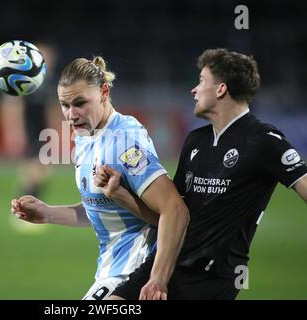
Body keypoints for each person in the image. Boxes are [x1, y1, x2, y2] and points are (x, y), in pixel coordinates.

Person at [95, 48, 307, 300]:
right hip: (164, 263)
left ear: (221, 90)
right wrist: (119, 193)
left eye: (201, 81)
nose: (194, 90)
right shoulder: (195, 141)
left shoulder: (264, 140)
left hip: (209, 279)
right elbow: (167, 216)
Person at [10, 56, 189, 299]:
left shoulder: (124, 141)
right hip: (111, 270)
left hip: (134, 272)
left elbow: (174, 210)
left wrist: (158, 279)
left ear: (104, 92)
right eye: (64, 105)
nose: (71, 114)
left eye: (80, 103)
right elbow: (103, 211)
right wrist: (47, 213)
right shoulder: (86, 137)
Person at [0, 43, 61, 197]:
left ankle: (28, 203)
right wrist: (15, 131)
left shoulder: (51, 81)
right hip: (29, 129)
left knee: (42, 170)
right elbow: (12, 105)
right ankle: (26, 203)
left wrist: (56, 132)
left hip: (44, 130)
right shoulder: (24, 78)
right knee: (34, 170)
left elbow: (53, 109)